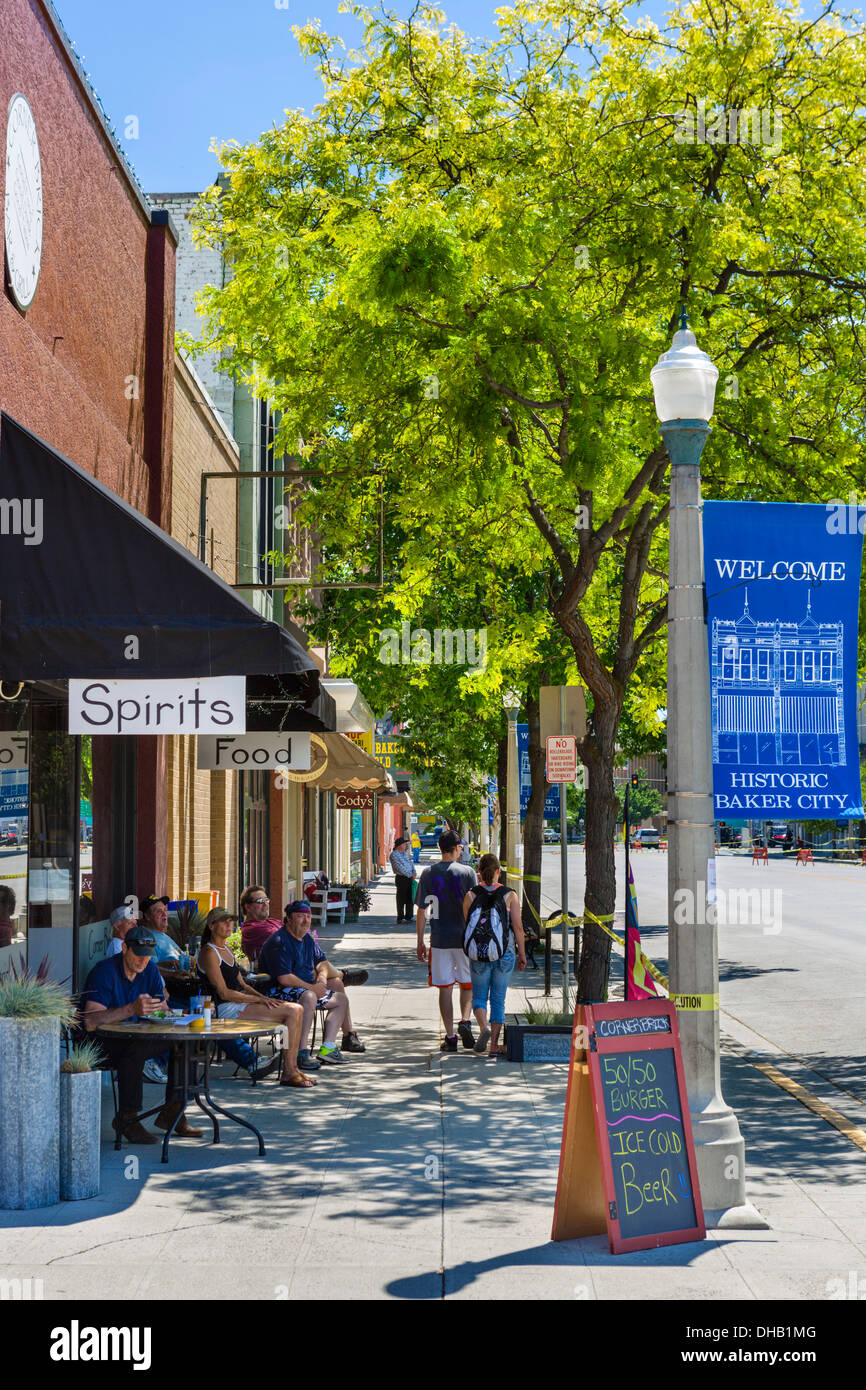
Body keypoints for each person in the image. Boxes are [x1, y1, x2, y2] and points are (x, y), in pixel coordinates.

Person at [83, 925, 203, 1144]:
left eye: (147, 956)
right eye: (138, 955)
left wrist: (187, 1016)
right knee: (134, 1048)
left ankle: (174, 1112)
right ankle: (127, 1119)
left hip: (136, 1035)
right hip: (101, 1042)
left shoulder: (150, 970)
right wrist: (131, 1009)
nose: (143, 961)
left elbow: (163, 1008)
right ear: (125, 948)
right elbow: (90, 1021)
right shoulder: (104, 971)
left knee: (185, 1041)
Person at [197, 907, 313, 1088]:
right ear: (212, 926)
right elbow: (224, 993)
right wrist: (259, 1000)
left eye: (231, 921)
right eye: (224, 921)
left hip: (239, 1002)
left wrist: (264, 997)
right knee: (293, 1011)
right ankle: (288, 1070)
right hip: (223, 1008)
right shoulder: (209, 952)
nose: (229, 925)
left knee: (295, 1010)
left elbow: (243, 984)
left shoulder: (226, 949)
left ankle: (292, 1068)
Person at [259, 900, 364, 1066]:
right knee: (308, 996)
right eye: (300, 916)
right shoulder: (279, 941)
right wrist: (313, 988)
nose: (305, 920)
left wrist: (322, 977)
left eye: (308, 916)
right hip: (276, 992)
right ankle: (300, 1052)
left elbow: (322, 963)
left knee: (340, 1000)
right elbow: (284, 979)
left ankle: (328, 1048)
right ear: (289, 919)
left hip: (303, 988)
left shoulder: (307, 939)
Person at [416, 830, 477, 1052]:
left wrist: (420, 941)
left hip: (440, 939)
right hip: (464, 938)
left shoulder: (428, 874)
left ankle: (450, 1037)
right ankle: (465, 1020)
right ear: (456, 848)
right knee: (467, 984)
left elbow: (422, 911)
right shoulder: (468, 873)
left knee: (445, 988)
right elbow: (476, 907)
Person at [462, 854, 526, 1057]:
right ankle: (494, 1046)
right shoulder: (510, 895)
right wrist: (522, 953)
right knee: (499, 999)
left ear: (479, 872)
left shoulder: (471, 895)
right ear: (499, 871)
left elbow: (468, 926)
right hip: (504, 953)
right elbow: (517, 927)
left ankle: (483, 1029)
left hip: (478, 954)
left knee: (479, 997)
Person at [239, 884, 281, 964]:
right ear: (248, 907)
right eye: (260, 901)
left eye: (266, 900)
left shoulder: (271, 921)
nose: (265, 904)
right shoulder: (252, 929)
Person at [389, 836, 416, 925]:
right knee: (401, 898)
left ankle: (409, 916)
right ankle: (400, 917)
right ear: (399, 845)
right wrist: (409, 874)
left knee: (410, 898)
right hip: (401, 878)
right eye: (404, 844)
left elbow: (411, 864)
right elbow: (398, 868)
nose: (405, 845)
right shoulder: (394, 855)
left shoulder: (405, 853)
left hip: (409, 878)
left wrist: (414, 872)